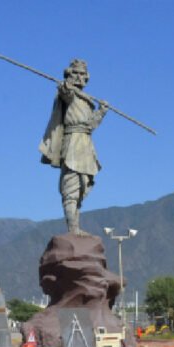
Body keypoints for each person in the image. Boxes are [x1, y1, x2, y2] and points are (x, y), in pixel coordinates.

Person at [39, 58, 108, 236]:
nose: (79, 77)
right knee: (70, 187)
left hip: (85, 144)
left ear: (87, 77)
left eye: (82, 74)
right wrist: (65, 86)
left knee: (82, 186)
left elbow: (90, 125)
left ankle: (76, 227)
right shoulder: (69, 94)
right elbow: (65, 93)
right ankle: (72, 230)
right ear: (69, 75)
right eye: (75, 73)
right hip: (72, 142)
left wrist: (101, 111)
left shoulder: (86, 101)